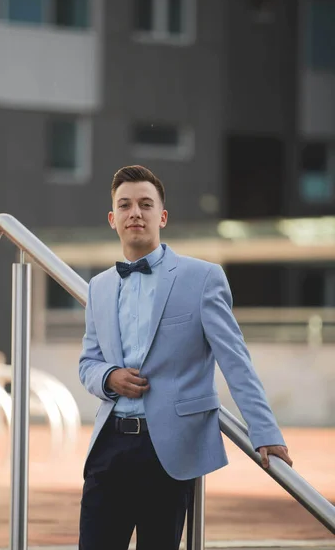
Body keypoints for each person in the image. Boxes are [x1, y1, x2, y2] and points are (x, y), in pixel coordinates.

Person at [78, 165, 293, 550]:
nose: (135, 213)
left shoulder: (202, 277)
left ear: (162, 216)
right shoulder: (99, 287)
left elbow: (235, 360)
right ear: (113, 219)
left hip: (169, 452)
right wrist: (109, 377)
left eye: (146, 204)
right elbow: (88, 363)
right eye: (125, 205)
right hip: (109, 449)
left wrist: (266, 432)